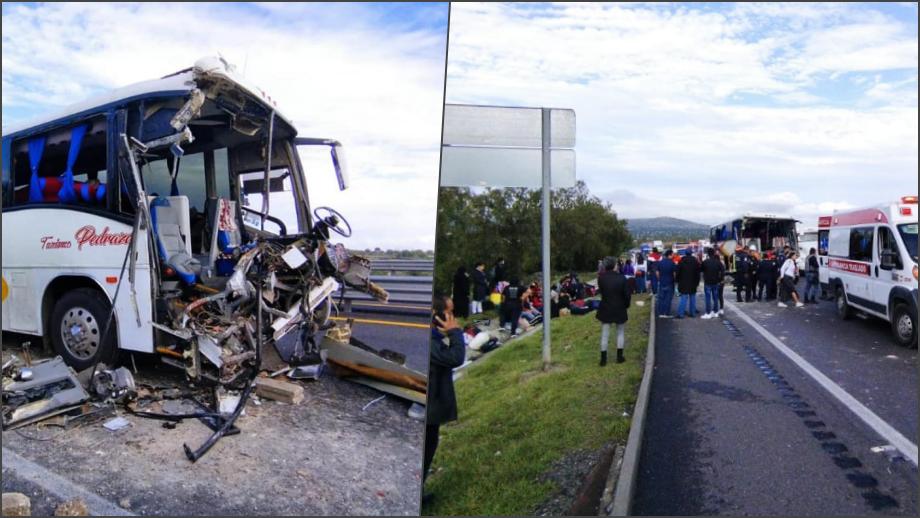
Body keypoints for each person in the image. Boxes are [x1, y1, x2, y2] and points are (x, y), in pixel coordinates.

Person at [424, 295, 466, 492]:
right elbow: (456, 358)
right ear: (435, 314)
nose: (452, 318)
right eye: (448, 313)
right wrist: (455, 333)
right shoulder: (430, 342)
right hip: (429, 408)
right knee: (426, 449)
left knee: (430, 446)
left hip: (432, 408)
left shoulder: (434, 338)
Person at [596, 257, 630, 365]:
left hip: (606, 307)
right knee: (620, 332)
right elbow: (627, 295)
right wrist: (626, 305)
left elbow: (602, 292)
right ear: (615, 266)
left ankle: (603, 360)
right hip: (620, 308)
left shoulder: (601, 279)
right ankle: (619, 357)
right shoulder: (622, 278)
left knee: (605, 334)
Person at [676, 248, 701, 318]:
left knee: (683, 298)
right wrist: (697, 282)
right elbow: (698, 273)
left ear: (685, 253)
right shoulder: (695, 261)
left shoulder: (681, 261)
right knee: (692, 298)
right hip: (693, 282)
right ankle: (692, 313)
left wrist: (677, 281)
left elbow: (678, 272)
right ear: (691, 253)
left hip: (683, 283)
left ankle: (681, 314)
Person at [700, 248, 722, 319]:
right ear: (714, 253)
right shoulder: (718, 262)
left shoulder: (705, 262)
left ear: (708, 254)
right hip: (716, 282)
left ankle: (708, 313)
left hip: (708, 282)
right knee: (715, 297)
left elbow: (701, 270)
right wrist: (720, 279)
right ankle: (715, 312)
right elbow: (722, 271)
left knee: (708, 298)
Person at [657, 249, 677, 318]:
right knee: (668, 299)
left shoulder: (660, 262)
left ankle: (660, 313)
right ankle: (666, 313)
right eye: (673, 254)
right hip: (670, 283)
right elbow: (674, 274)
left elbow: (657, 272)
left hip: (662, 282)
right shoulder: (672, 263)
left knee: (661, 298)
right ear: (670, 255)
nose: (673, 255)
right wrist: (674, 280)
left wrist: (660, 279)